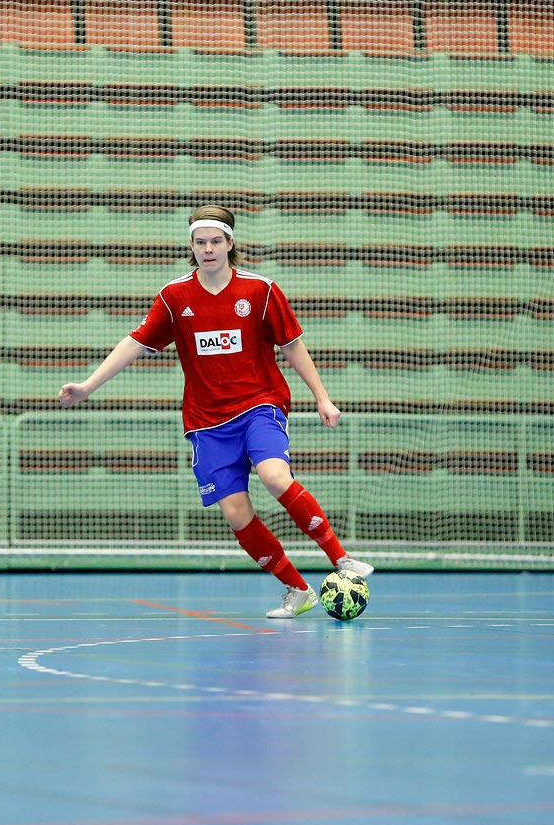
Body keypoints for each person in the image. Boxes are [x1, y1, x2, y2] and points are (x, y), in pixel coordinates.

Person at [58, 204, 372, 618]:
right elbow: (134, 343)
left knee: (274, 475)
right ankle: (298, 590)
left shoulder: (260, 290)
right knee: (237, 514)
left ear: (230, 244)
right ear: (192, 246)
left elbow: (292, 345)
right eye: (200, 242)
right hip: (206, 422)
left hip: (260, 404)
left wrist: (322, 397)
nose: (208, 249)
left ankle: (341, 558)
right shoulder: (175, 296)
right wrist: (87, 386)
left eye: (215, 241)